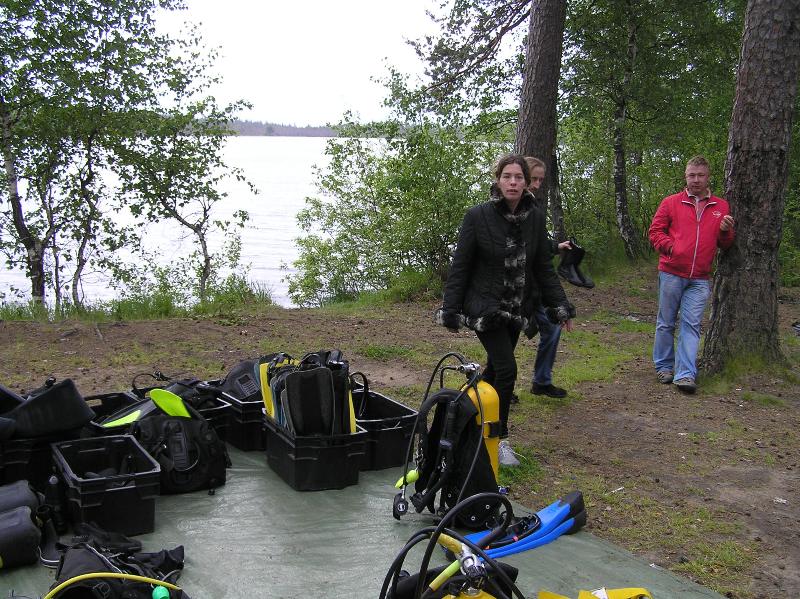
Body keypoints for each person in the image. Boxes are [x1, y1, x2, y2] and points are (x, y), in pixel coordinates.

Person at [435, 154, 574, 467]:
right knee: (508, 370)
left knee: (495, 372)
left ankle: (463, 417)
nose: (513, 182)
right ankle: (498, 439)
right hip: (486, 307)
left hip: (518, 308)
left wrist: (559, 306)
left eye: (519, 177)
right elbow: (461, 266)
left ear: (526, 182)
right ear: (498, 180)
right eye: (507, 176)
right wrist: (450, 309)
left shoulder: (535, 218)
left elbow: (543, 267)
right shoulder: (478, 216)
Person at [648, 155, 735, 393]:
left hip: (700, 278)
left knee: (692, 324)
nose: (696, 180)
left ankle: (685, 374)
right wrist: (672, 248)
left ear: (708, 177)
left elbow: (725, 244)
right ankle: (664, 367)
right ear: (685, 177)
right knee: (665, 323)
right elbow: (655, 232)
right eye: (691, 175)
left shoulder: (721, 207)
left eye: (700, 175)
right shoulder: (671, 203)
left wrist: (726, 232)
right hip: (671, 273)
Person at [524, 157, 573, 399]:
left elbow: (538, 245)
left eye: (541, 180)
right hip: (519, 286)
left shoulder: (535, 204)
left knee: (552, 328)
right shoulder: (516, 207)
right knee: (507, 334)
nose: (537, 184)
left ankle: (542, 380)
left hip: (538, 284)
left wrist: (556, 246)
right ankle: (496, 385)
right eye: (533, 179)